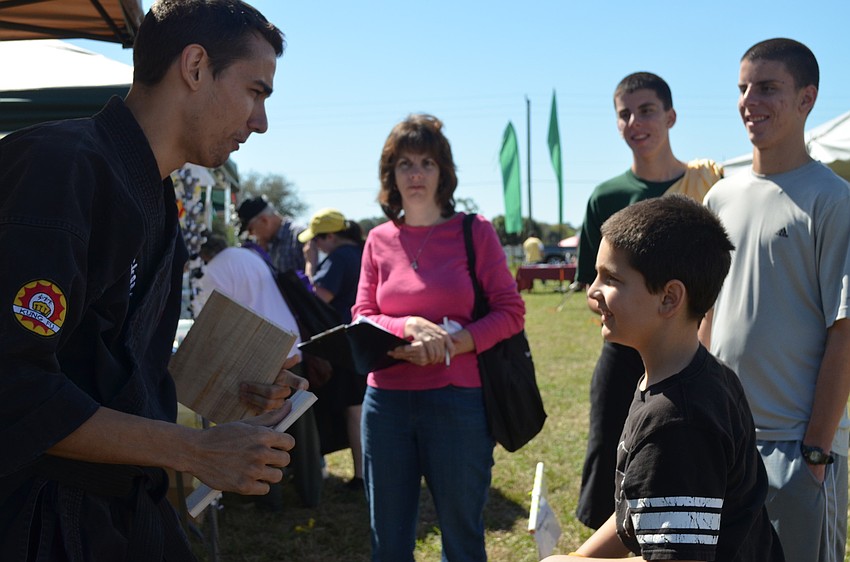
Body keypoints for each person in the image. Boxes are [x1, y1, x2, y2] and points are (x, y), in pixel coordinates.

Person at [0, 2, 305, 560]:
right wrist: (195, 450)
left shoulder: (157, 199)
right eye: (256, 92)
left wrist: (226, 379)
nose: (260, 121)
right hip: (36, 521)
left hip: (117, 513)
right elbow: (13, 385)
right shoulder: (59, 167)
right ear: (194, 67)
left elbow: (103, 365)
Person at [544, 195, 784, 561]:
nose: (593, 292)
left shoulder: (677, 423)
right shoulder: (694, 376)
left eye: (611, 279)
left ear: (669, 298)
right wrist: (582, 556)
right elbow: (641, 507)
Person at [700, 38, 850, 562]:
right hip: (723, 439)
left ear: (807, 99)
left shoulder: (832, 199)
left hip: (798, 448)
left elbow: (845, 330)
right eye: (743, 88)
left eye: (767, 88)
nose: (749, 101)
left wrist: (815, 449)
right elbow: (707, 315)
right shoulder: (719, 197)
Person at [352, 114, 525, 562]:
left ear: (443, 173)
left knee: (462, 539)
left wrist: (453, 343)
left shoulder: (474, 232)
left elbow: (511, 311)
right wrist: (406, 325)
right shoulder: (377, 239)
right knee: (387, 542)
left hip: (458, 403)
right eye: (405, 163)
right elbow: (363, 315)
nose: (415, 174)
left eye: (427, 163)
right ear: (390, 174)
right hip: (385, 405)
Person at [573, 71, 724, 530]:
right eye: (624, 114)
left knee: (684, 460)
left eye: (647, 110)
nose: (635, 121)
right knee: (610, 454)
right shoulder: (607, 197)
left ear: (670, 115)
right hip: (623, 355)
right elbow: (589, 283)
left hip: (695, 351)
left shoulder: (712, 187)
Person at [195, 236, 324, 509]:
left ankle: (267, 499)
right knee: (301, 427)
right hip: (290, 344)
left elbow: (209, 319)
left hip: (261, 354)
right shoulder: (249, 256)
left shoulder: (214, 269)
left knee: (264, 433)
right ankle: (311, 493)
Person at [298, 208, 367, 490]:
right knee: (360, 408)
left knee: (354, 410)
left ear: (328, 237)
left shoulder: (338, 258)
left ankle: (363, 476)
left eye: (316, 241)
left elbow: (317, 298)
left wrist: (310, 265)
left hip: (346, 344)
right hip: (364, 339)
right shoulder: (362, 251)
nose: (313, 247)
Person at [237, 195, 305, 273]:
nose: (250, 235)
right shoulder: (264, 244)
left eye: (251, 230)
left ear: (264, 221)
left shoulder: (298, 236)